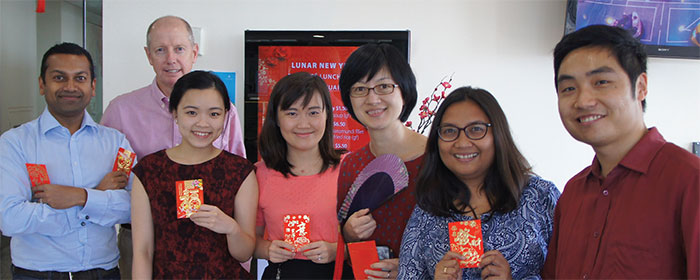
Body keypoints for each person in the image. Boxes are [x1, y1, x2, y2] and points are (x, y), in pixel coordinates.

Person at [542, 25, 699, 278]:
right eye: (568, 88)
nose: (583, 101)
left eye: (601, 82)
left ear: (641, 87)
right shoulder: (573, 193)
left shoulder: (690, 181)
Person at [100, 15, 246, 279]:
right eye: (160, 50)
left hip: (212, 241)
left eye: (179, 49)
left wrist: (234, 231)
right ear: (148, 55)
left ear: (194, 52)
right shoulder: (121, 111)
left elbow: (239, 175)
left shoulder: (226, 112)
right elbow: (105, 178)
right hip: (142, 238)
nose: (171, 58)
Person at [397, 87, 560, 279]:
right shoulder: (427, 211)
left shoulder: (541, 198)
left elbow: (575, 271)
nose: (462, 142)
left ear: (498, 134)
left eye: (476, 130)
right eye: (449, 131)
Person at [0, 42, 131, 279]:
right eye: (59, 77)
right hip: (36, 274)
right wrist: (96, 196)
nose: (70, 87)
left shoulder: (116, 143)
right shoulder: (14, 143)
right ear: (42, 84)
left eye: (80, 78)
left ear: (92, 86)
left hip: (102, 272)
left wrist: (80, 196)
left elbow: (133, 207)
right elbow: (10, 218)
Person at [130, 71, 257, 279]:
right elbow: (142, 251)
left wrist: (231, 228)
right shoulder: (149, 170)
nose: (203, 123)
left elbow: (244, 254)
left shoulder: (240, 172)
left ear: (226, 116)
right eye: (191, 112)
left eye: (214, 114)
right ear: (175, 113)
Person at [336, 43, 427, 279]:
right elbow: (344, 239)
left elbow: (466, 232)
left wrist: (412, 267)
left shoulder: (438, 157)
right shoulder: (351, 165)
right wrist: (348, 233)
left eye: (384, 86)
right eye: (360, 89)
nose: (372, 99)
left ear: (405, 92)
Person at [254, 72, 344, 279]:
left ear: (327, 115)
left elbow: (372, 239)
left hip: (338, 273)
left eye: (313, 113)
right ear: (276, 118)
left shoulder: (348, 168)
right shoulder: (259, 174)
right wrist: (267, 249)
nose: (304, 124)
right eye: (292, 113)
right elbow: (250, 241)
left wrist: (336, 250)